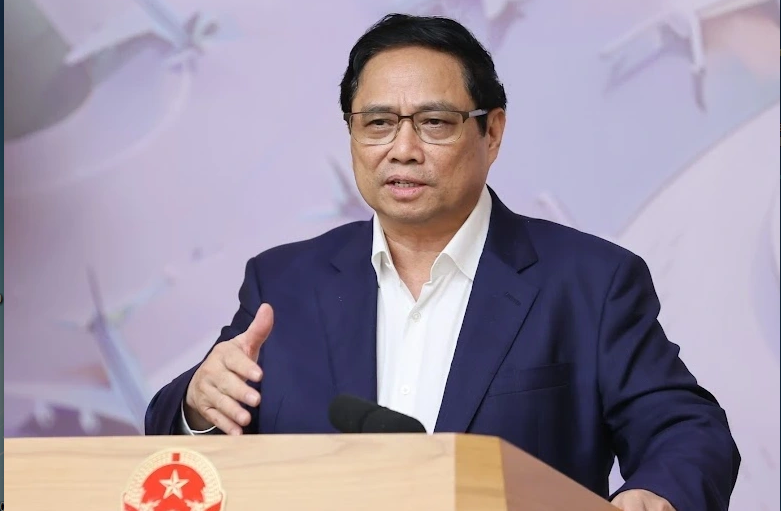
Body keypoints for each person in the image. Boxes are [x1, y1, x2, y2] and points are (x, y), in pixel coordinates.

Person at [145, 13, 740, 511]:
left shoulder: (590, 282)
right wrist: (198, 405)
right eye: (378, 123)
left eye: (434, 123)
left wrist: (657, 494)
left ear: (492, 132)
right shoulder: (284, 282)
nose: (402, 149)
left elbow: (687, 429)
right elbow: (183, 425)